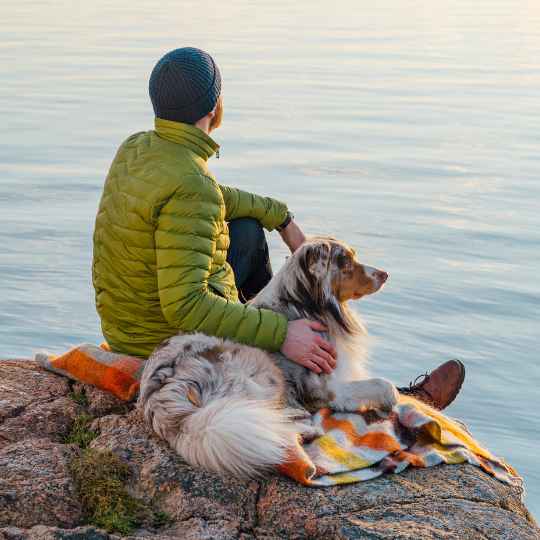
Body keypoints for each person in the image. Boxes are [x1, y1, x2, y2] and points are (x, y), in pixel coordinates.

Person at [92, 47, 464, 410]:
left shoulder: (139, 147)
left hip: (129, 326)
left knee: (249, 229)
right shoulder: (192, 185)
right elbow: (185, 307)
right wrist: (281, 333)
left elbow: (211, 199)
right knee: (290, 313)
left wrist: (281, 218)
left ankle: (316, 363)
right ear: (214, 106)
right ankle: (378, 397)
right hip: (168, 342)